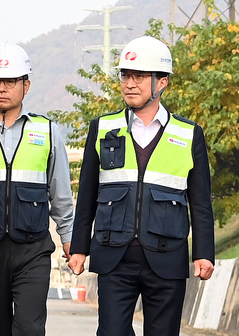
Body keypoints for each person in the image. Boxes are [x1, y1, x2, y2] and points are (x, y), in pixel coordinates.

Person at [68, 36, 215, 336]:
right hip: (113, 257)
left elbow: (200, 202)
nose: (129, 83)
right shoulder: (103, 127)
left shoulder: (188, 134)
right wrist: (79, 248)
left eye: (138, 76)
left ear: (162, 83)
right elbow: (87, 196)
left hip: (167, 256)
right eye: (125, 75)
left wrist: (204, 253)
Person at [0, 41, 74, 336]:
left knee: (30, 328)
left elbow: (60, 193)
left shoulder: (46, 131)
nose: (2, 88)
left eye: (10, 81)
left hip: (32, 249)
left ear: (26, 85)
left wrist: (69, 237)